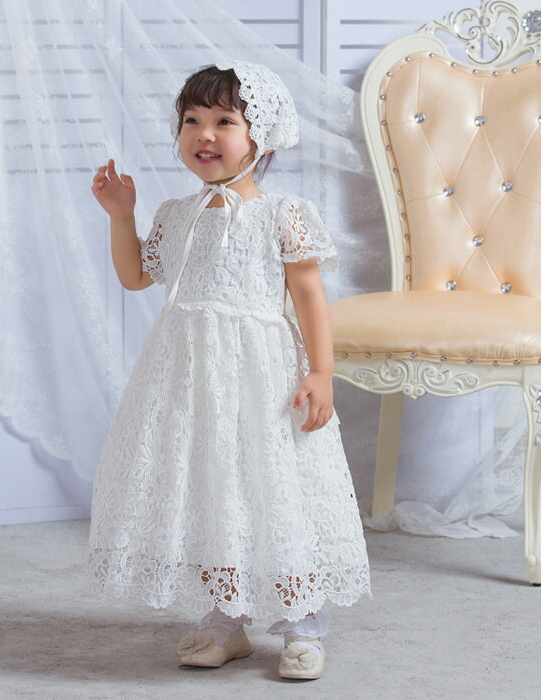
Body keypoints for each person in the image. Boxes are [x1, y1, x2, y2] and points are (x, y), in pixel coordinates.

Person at [87, 59, 370, 681]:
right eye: (191, 120)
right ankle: (226, 617)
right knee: (213, 488)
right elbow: (136, 276)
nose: (204, 134)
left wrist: (321, 372)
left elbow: (309, 296)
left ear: (259, 135)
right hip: (191, 378)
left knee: (274, 488)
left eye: (224, 121)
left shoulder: (281, 213)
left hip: (262, 377)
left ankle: (301, 622)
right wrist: (120, 215)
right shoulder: (175, 214)